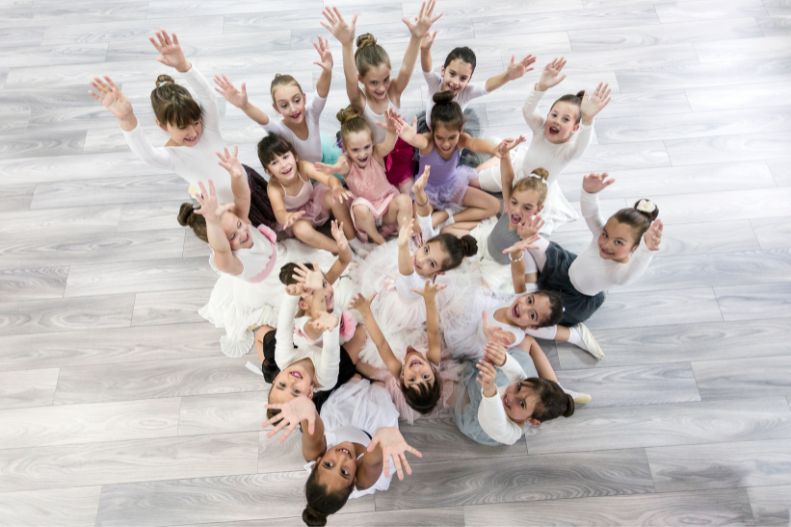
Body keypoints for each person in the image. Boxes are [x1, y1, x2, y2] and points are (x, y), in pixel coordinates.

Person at [89, 30, 276, 228]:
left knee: (276, 219)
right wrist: (127, 119)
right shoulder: (173, 156)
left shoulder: (208, 127)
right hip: (227, 209)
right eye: (183, 127)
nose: (194, 132)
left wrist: (183, 66)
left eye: (195, 122)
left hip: (247, 185)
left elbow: (209, 97)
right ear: (162, 125)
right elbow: (147, 154)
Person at [474, 57, 612, 234]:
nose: (556, 121)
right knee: (474, 179)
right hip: (518, 172)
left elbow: (583, 143)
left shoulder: (569, 151)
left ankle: (503, 157)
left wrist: (588, 119)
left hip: (537, 192)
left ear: (575, 128)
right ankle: (500, 158)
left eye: (565, 119)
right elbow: (528, 111)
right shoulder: (540, 129)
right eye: (554, 115)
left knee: (524, 228)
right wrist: (541, 87)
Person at [264, 382, 423, 526]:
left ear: (318, 462)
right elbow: (377, 453)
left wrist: (306, 410)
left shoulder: (313, 454)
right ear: (354, 479)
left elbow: (312, 426)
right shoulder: (364, 479)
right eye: (344, 472)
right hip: (372, 434)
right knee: (381, 391)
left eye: (328, 464)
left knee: (334, 399)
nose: (342, 457)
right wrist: (385, 436)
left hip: (343, 422)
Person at [321, 2, 441, 191]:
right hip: (370, 155)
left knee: (409, 194)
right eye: (374, 83)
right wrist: (346, 44)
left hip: (397, 151)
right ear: (362, 79)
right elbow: (350, 79)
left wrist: (416, 37)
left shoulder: (394, 91)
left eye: (385, 79)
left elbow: (406, 68)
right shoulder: (360, 101)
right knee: (375, 194)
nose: (382, 87)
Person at [213, 36, 341, 165]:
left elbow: (321, 93)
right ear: (276, 108)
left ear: (304, 98)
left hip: (321, 162)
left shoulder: (312, 113)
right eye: (284, 105)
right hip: (302, 175)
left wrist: (327, 71)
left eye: (297, 100)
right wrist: (245, 106)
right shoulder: (281, 130)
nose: (293, 109)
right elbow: (263, 120)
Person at [390, 92, 500, 233]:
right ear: (432, 132)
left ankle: (447, 216)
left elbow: (475, 144)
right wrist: (411, 137)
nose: (446, 144)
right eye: (440, 138)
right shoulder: (428, 142)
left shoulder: (462, 140)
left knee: (494, 206)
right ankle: (440, 214)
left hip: (453, 184)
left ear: (460, 130)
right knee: (417, 228)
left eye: (451, 137)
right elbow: (418, 140)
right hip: (427, 191)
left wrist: (495, 149)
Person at [454, 340, 585, 446]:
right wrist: (504, 360)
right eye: (518, 388)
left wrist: (490, 391)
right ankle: (557, 386)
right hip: (495, 393)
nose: (510, 396)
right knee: (526, 343)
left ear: (533, 421)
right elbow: (518, 374)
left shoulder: (509, 433)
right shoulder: (521, 391)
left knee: (454, 388)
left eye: (521, 404)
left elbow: (495, 421)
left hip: (483, 417)